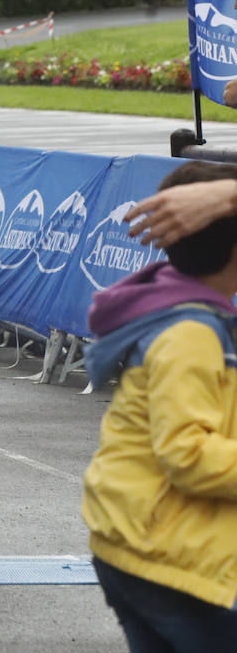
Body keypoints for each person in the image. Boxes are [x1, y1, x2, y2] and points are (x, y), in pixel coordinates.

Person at [82, 160, 237, 650]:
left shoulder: (184, 314)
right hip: (174, 557)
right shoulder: (190, 333)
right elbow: (188, 453)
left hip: (145, 547)